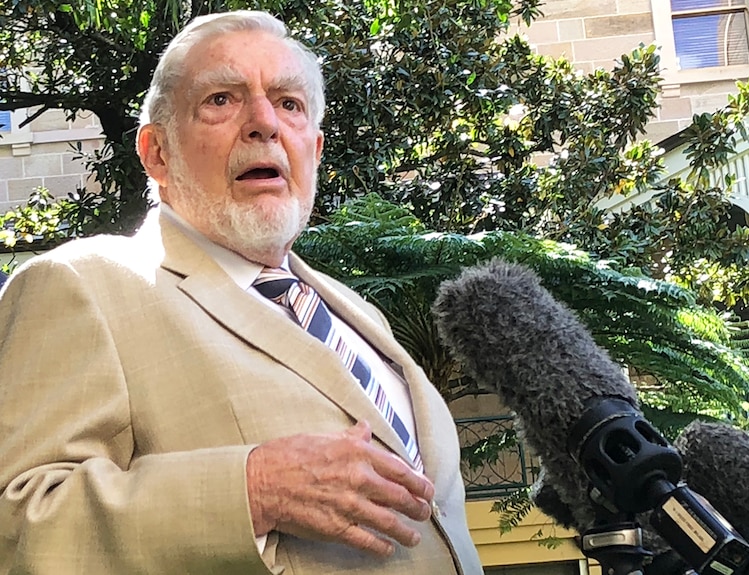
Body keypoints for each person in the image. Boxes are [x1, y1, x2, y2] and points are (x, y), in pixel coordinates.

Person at [0, 10, 483, 575]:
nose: (264, 123)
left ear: (315, 148)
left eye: (289, 103)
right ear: (157, 152)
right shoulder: (79, 284)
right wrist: (251, 490)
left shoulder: (357, 313)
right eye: (222, 100)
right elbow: (17, 526)